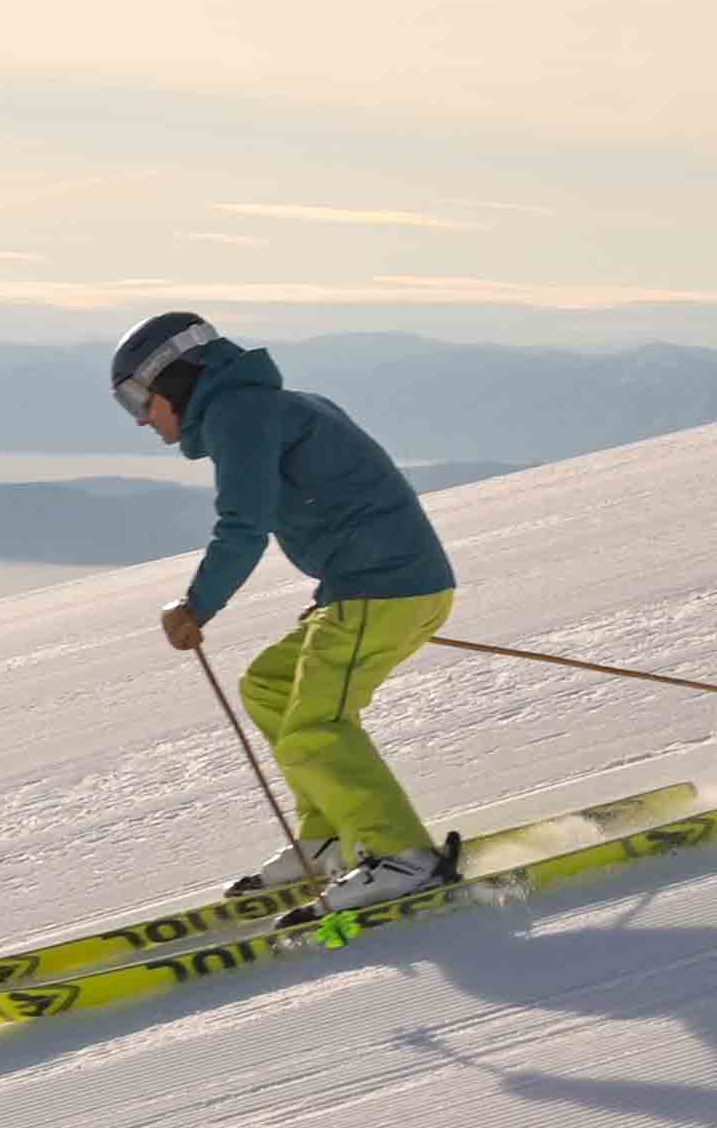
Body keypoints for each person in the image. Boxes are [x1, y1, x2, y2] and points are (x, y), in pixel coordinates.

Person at [109, 308, 459, 912]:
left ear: (173, 381)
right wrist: (333, 596)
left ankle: (403, 856)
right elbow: (357, 501)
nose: (141, 418)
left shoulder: (239, 416)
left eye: (139, 399)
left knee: (314, 727)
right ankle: (327, 839)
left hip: (383, 591)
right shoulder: (273, 407)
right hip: (377, 588)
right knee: (271, 685)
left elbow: (245, 526)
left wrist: (196, 606)